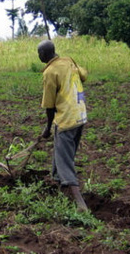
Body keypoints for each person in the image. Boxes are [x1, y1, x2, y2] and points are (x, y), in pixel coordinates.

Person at [37, 40, 89, 211]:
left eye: (39, 53)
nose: (39, 56)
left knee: (64, 161)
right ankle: (58, 190)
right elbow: (84, 75)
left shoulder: (50, 72)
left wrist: (47, 128)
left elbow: (50, 105)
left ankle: (80, 203)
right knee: (61, 154)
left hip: (66, 118)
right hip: (80, 115)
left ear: (44, 54)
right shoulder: (69, 61)